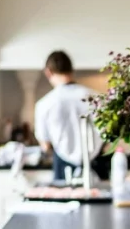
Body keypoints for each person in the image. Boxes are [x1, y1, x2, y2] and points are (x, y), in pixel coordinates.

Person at [33, 50, 103, 182]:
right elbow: (108, 137)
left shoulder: (44, 104)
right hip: (98, 164)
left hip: (63, 167)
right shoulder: (97, 98)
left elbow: (45, 146)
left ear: (48, 72)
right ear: (71, 69)